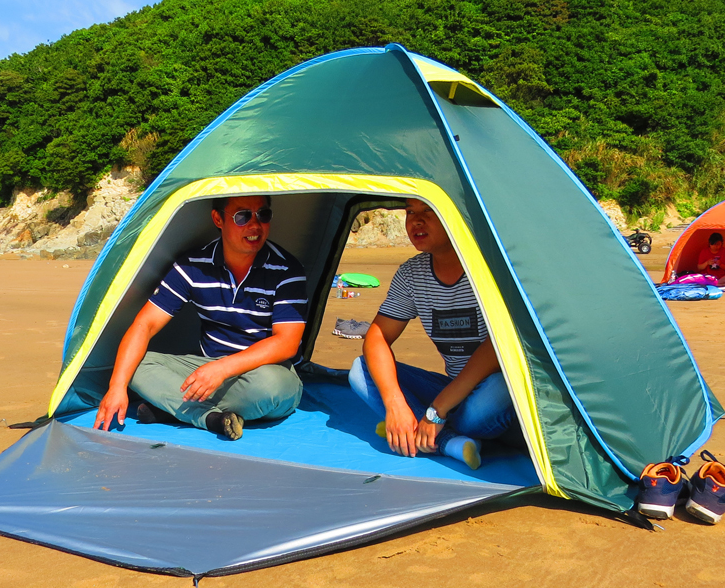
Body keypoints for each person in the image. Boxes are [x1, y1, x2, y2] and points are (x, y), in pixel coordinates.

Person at [94, 195, 308, 440]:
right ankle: (211, 418)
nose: (255, 225)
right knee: (134, 366)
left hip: (265, 373)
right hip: (209, 368)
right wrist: (116, 387)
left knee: (271, 389)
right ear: (218, 219)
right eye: (243, 216)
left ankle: (177, 408)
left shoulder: (286, 270)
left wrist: (223, 368)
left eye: (263, 215)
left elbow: (286, 343)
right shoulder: (193, 266)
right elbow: (145, 324)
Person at [348, 198, 515, 469]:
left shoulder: (488, 269)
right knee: (360, 369)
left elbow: (498, 347)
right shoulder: (412, 274)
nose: (416, 221)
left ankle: (426, 430)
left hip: (485, 396)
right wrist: (395, 404)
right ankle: (449, 441)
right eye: (411, 212)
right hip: (451, 390)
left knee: (500, 387)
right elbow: (377, 336)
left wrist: (436, 411)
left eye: (429, 211)